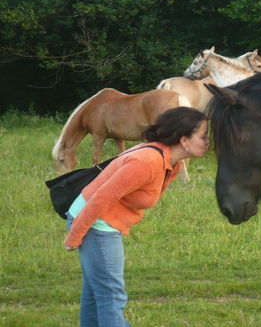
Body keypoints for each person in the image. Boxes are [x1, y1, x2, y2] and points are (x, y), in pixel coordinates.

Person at [64, 107, 209, 327]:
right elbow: (100, 198)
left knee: (96, 293)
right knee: (112, 295)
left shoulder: (172, 163)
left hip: (99, 219)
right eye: (203, 136)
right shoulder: (147, 161)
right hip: (95, 222)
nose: (208, 141)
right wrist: (75, 236)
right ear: (184, 140)